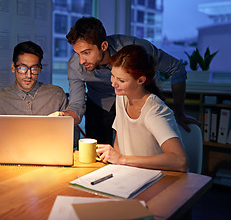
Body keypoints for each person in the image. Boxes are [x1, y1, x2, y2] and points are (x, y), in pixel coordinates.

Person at [50, 17, 201, 145]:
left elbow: (176, 68)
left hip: (135, 103)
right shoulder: (75, 65)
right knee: (99, 155)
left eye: (86, 53)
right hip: (99, 105)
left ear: (103, 46)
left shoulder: (135, 49)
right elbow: (77, 104)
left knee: (140, 149)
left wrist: (180, 112)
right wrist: (65, 117)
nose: (81, 60)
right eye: (77, 53)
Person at [96, 45, 189, 172]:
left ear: (140, 80)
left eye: (121, 80)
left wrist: (122, 159)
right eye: (112, 76)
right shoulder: (122, 97)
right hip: (132, 176)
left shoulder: (154, 111)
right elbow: (119, 142)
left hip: (161, 181)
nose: (113, 83)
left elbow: (181, 161)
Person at [0, 41, 70, 149]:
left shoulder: (56, 95)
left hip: (50, 156)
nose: (29, 75)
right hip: (11, 159)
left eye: (34, 68)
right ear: (13, 67)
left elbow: (72, 139)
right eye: (23, 68)